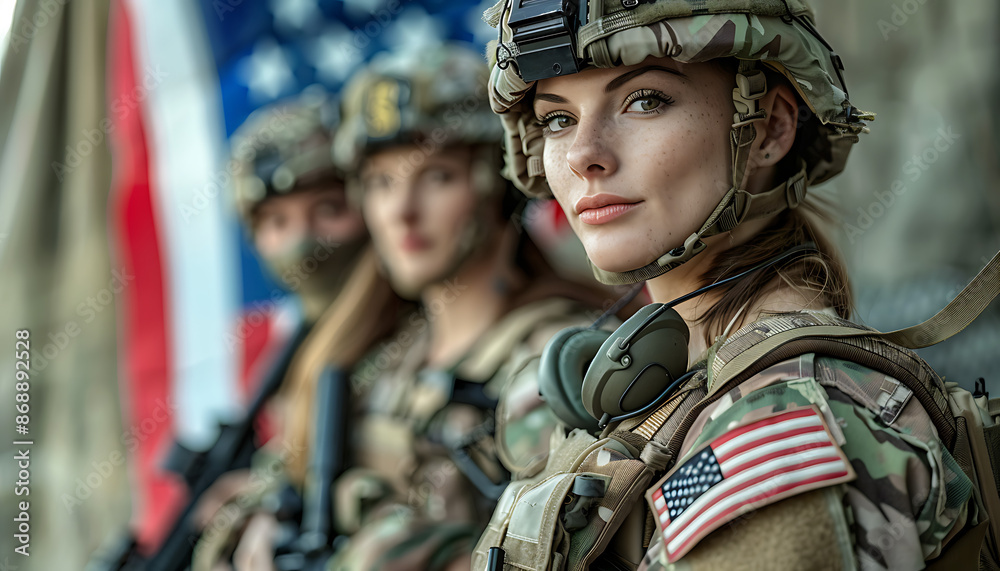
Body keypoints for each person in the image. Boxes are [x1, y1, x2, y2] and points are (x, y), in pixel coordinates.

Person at [473, 1, 998, 569]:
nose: (583, 156)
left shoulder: (780, 428)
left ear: (770, 128)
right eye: (558, 119)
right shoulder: (685, 377)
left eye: (644, 101)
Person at [307, 43, 632, 571]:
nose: (402, 213)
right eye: (381, 183)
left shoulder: (564, 364)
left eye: (437, 177)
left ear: (497, 184)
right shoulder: (390, 357)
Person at [191, 90, 404, 571]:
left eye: (328, 210)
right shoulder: (303, 349)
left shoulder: (425, 333)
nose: (303, 242)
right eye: (277, 222)